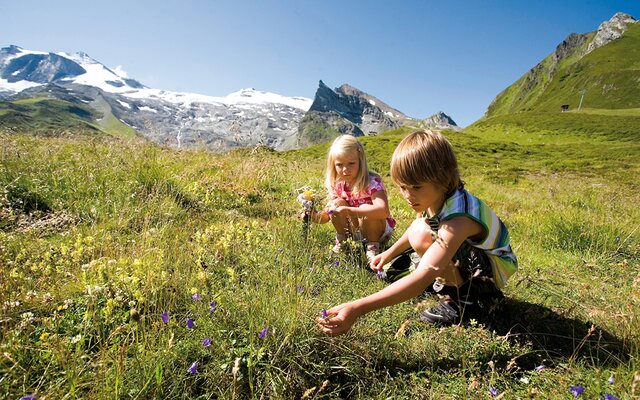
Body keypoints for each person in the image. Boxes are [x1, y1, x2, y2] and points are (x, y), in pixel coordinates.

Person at [317, 129, 518, 334]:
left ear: (443, 178)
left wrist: (358, 308)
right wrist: (388, 253)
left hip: (489, 275)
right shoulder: (436, 198)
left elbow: (425, 273)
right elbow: (417, 227)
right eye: (403, 187)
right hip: (469, 258)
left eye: (416, 187)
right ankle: (452, 284)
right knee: (419, 230)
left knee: (423, 238)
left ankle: (463, 303)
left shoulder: (459, 219)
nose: (408, 195)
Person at [303, 134, 396, 259]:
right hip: (355, 230)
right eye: (339, 165)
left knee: (365, 207)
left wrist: (351, 211)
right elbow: (327, 216)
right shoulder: (338, 185)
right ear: (333, 165)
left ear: (361, 161)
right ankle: (343, 242)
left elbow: (383, 211)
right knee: (336, 204)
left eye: (351, 163)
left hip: (377, 230)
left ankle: (373, 247)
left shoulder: (371, 182)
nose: (345, 169)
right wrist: (313, 216)